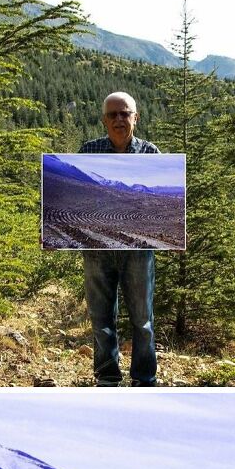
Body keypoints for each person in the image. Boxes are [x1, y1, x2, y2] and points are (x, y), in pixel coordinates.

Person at [79, 91, 159, 387]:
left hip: (138, 250)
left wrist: (174, 232)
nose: (118, 119)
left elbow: (159, 203)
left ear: (135, 118)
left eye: (124, 113)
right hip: (97, 248)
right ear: (104, 120)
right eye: (112, 114)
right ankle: (107, 378)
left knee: (143, 320)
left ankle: (144, 379)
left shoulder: (150, 153)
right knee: (101, 319)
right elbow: (76, 196)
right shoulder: (89, 151)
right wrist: (51, 228)